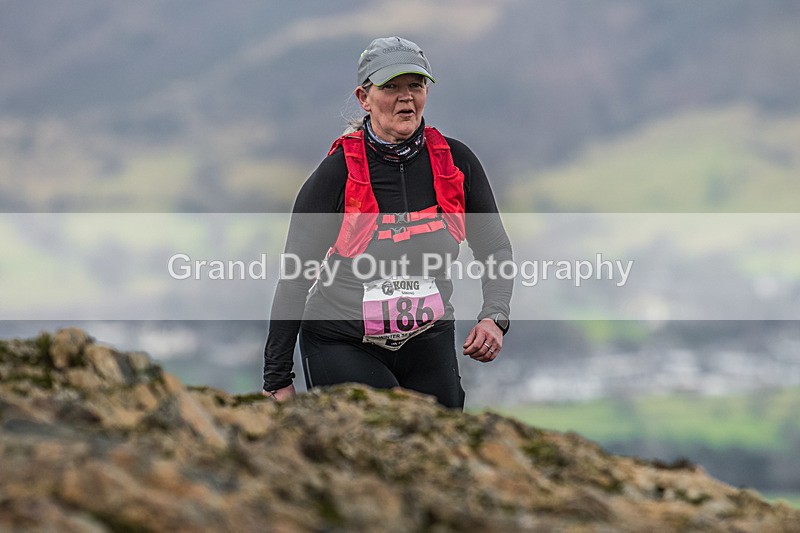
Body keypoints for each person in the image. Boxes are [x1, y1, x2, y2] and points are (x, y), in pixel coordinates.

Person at [262, 36, 512, 409]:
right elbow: (296, 278)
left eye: (416, 85)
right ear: (364, 98)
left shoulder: (456, 163)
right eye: (391, 87)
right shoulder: (337, 175)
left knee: (440, 439)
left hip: (427, 339)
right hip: (342, 341)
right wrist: (277, 379)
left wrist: (494, 316)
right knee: (379, 433)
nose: (406, 97)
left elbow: (495, 248)